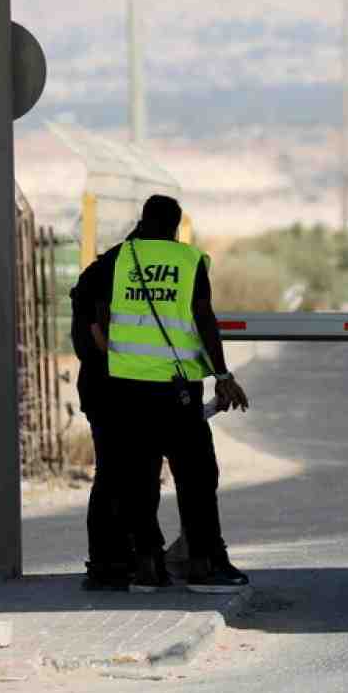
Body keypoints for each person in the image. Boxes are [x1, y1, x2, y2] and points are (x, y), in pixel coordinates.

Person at [75, 195, 253, 594]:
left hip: (126, 390)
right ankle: (205, 565)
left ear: (142, 220)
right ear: (175, 226)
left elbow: (99, 324)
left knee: (139, 479)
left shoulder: (116, 261)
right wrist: (222, 375)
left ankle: (147, 567)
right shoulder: (188, 262)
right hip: (177, 392)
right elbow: (203, 319)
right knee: (197, 477)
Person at [72, 253, 168, 593]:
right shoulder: (115, 273)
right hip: (115, 391)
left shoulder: (105, 269)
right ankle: (114, 562)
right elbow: (102, 334)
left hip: (112, 390)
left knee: (124, 474)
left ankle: (121, 560)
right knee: (121, 475)